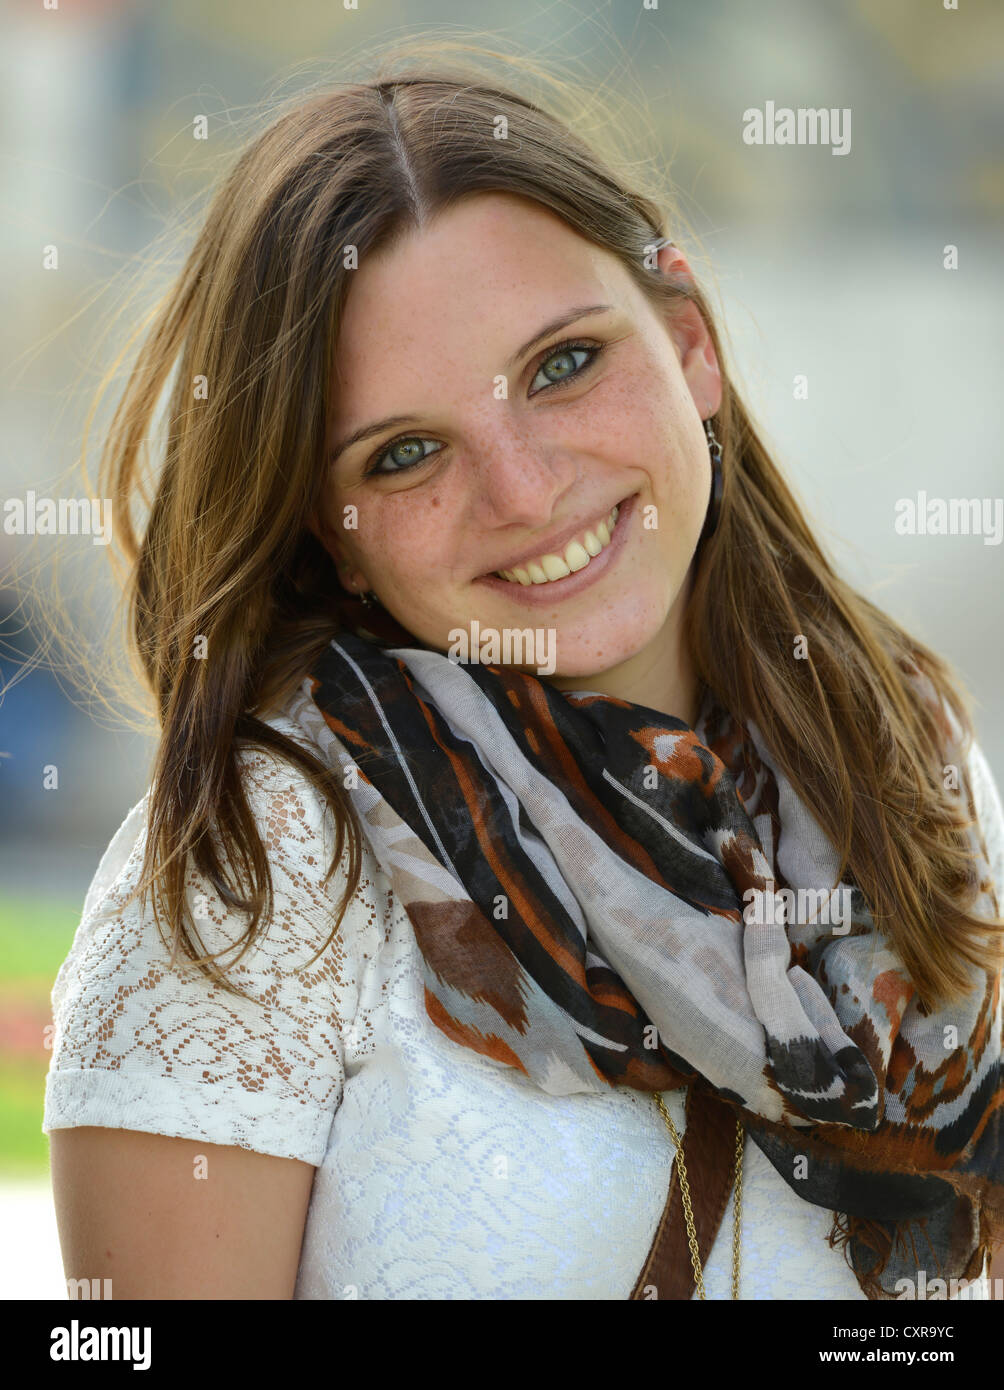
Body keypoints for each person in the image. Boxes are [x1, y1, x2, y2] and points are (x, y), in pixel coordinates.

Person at [43, 53, 1004, 1302]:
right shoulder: (258, 861)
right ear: (326, 525)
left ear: (689, 344)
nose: (523, 488)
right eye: (404, 452)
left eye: (561, 366)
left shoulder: (897, 744)